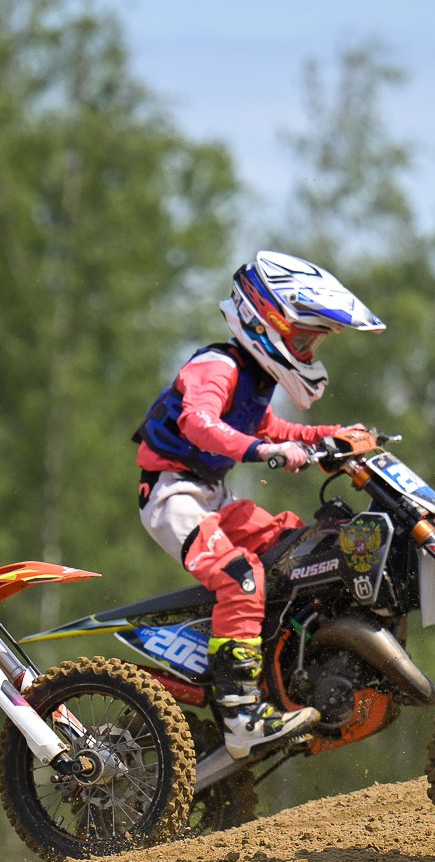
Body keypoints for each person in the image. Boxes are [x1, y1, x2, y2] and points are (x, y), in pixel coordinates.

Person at [133, 250, 384, 758]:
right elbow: (198, 424)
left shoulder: (254, 376)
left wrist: (331, 435)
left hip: (214, 495)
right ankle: (241, 714)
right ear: (263, 322)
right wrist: (265, 451)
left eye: (313, 342)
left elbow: (271, 428)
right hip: (172, 494)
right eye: (303, 339)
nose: (309, 350)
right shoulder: (216, 364)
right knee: (240, 575)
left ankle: (286, 666)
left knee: (298, 546)